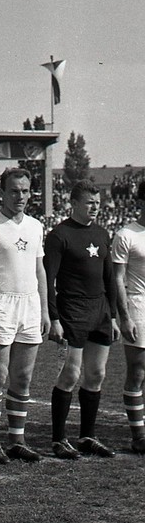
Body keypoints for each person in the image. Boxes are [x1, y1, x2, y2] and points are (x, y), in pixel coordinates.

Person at [0, 168, 49, 463]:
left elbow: (39, 269)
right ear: (1, 192)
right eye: (14, 190)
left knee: (23, 377)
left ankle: (17, 440)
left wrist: (44, 309)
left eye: (25, 191)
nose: (20, 196)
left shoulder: (35, 226)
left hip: (29, 304)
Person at [43, 179, 120, 459]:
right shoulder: (58, 235)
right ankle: (59, 439)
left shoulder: (102, 234)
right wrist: (54, 318)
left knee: (97, 374)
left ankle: (88, 436)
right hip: (72, 310)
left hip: (99, 310)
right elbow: (48, 280)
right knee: (71, 374)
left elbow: (109, 277)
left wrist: (112, 315)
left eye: (98, 203)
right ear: (74, 203)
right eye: (90, 203)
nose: (95, 208)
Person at [113, 180, 145, 455]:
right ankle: (139, 436)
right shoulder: (127, 234)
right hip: (139, 306)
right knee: (138, 371)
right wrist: (124, 317)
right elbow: (117, 278)